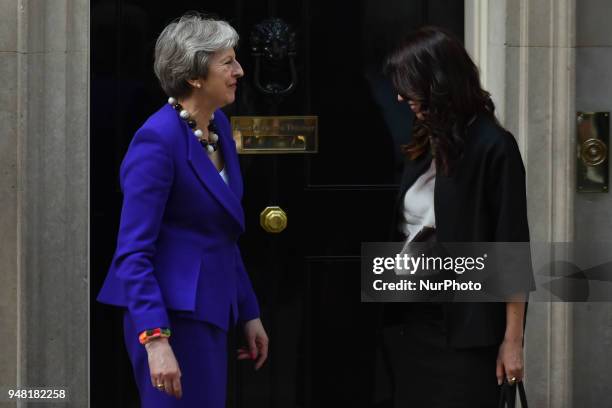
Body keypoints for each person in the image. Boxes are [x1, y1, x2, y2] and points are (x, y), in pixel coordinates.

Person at [96, 13, 268, 407]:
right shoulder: (156, 141)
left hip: (209, 309)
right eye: (227, 62)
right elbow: (133, 253)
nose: (239, 71)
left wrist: (249, 312)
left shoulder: (218, 126)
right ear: (194, 76)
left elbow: (223, 232)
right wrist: (155, 340)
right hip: (169, 318)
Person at [381, 26, 534, 407]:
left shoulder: (494, 147)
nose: (400, 96)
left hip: (468, 337)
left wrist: (512, 343)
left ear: (437, 81)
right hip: (412, 326)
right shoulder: (422, 142)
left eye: (408, 85)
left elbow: (512, 253)